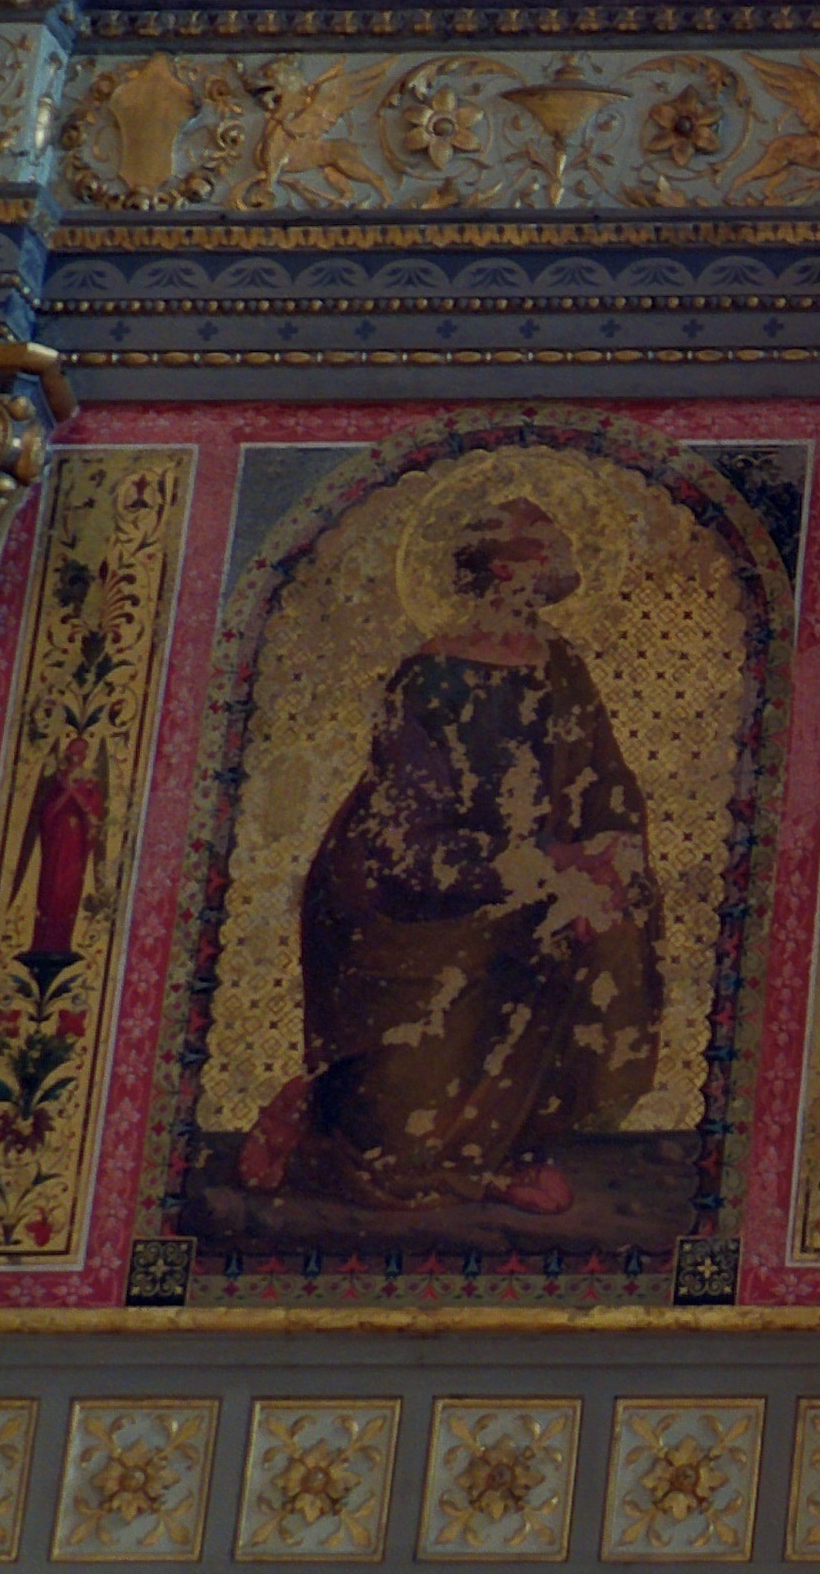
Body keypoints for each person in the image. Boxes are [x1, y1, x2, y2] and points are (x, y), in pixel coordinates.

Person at [237, 494, 661, 1215]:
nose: (566, 568)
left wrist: (607, 861)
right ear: (504, 568)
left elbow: (607, 779)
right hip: (416, 914)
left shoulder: (561, 666)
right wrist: (547, 867)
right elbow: (408, 844)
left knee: (610, 933)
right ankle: (318, 1114)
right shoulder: (430, 679)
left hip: (536, 890)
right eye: (549, 553)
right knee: (388, 1173)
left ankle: (512, 1147)